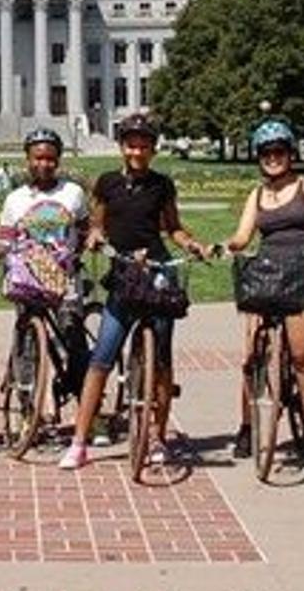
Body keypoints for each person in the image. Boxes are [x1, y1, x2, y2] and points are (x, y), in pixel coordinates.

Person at [61, 113, 209, 471]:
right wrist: (95, 237)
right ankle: (79, 441)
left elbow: (172, 227)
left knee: (161, 361)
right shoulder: (108, 183)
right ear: (122, 147)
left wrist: (190, 243)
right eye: (131, 143)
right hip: (124, 272)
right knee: (102, 357)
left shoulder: (162, 185)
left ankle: (158, 437)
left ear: (154, 148)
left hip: (156, 271)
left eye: (144, 144)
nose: (137, 150)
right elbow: (98, 222)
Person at [221, 117, 304, 461]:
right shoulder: (257, 194)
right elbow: (244, 235)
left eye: (279, 151)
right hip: (268, 274)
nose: (273, 158)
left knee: (303, 359)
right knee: (251, 357)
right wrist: (228, 245)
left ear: (290, 154)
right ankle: (247, 426)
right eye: (267, 153)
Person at [0, 127, 91, 401]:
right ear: (27, 159)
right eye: (37, 158)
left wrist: (74, 255)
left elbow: (84, 227)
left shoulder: (72, 193)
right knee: (26, 341)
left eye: (50, 158)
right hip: (28, 278)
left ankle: (86, 402)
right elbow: (6, 238)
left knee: (72, 337)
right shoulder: (16, 199)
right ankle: (28, 405)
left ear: (58, 160)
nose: (44, 164)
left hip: (64, 278)